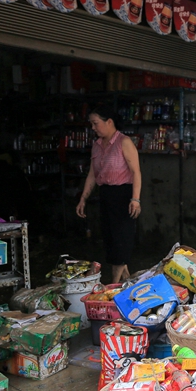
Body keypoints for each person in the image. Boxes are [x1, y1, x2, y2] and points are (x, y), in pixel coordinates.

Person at [76, 107, 142, 284]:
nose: (93, 127)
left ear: (109, 122)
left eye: (95, 123)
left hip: (123, 195)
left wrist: (135, 199)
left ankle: (112, 285)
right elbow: (92, 173)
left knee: (121, 240)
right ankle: (127, 281)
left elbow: (136, 172)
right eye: (91, 124)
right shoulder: (97, 146)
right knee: (111, 239)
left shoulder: (124, 142)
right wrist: (84, 197)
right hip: (106, 195)